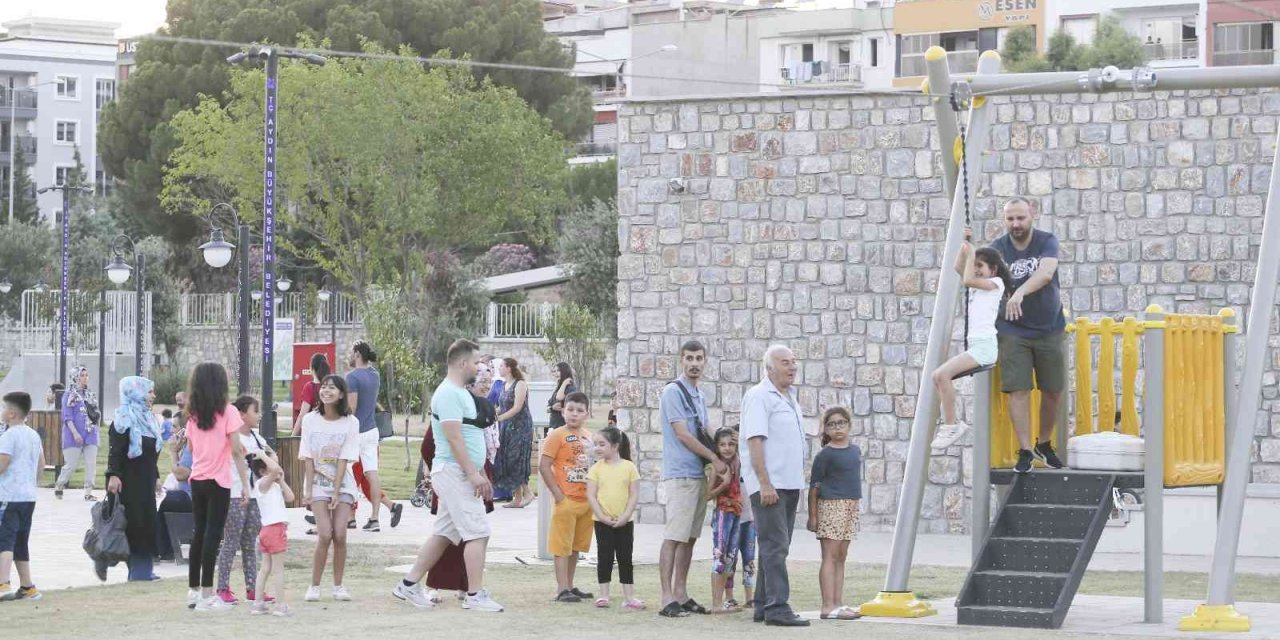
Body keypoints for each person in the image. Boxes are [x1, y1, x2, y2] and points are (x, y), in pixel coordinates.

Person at [393, 339, 504, 613]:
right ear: (462, 363)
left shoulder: (460, 392)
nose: (480, 367)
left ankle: (407, 585)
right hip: (454, 472)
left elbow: (468, 435)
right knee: (478, 533)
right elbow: (454, 438)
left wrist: (479, 471)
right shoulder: (449, 394)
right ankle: (475, 595)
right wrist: (473, 474)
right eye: (477, 362)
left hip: (459, 472)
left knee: (444, 533)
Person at [990, 197, 1067, 474]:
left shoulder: (1047, 241)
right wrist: (965, 247)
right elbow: (975, 275)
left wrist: (1020, 291)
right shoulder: (997, 249)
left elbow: (1046, 273)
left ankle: (1044, 443)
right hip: (1013, 329)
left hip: (1049, 327)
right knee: (1018, 389)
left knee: (1053, 390)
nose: (1016, 224)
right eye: (1010, 219)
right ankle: (1024, 450)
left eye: (1020, 218)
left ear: (1032, 215)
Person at [418, 362, 498, 604]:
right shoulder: (452, 407)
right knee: (470, 533)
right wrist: (449, 475)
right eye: (480, 382)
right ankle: (449, 589)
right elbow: (430, 447)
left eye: (488, 382)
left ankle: (464, 587)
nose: (484, 387)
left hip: (474, 475)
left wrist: (481, 473)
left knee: (454, 533)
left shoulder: (481, 409)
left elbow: (488, 445)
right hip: (456, 476)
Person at [657, 339, 725, 618]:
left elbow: (706, 428)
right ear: (681, 360)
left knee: (690, 538)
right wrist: (715, 458)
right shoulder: (673, 392)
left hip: (697, 474)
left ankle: (681, 593)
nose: (694, 363)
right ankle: (665, 598)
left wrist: (727, 443)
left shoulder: (698, 394)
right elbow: (683, 434)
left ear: (705, 361)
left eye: (699, 358)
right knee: (674, 537)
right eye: (689, 358)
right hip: (680, 474)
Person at [740, 345, 808, 627]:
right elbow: (755, 440)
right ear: (769, 368)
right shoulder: (759, 396)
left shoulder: (790, 397)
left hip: (790, 484)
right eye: (784, 362)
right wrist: (764, 482)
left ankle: (762, 604)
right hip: (771, 485)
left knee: (778, 545)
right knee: (774, 545)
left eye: (794, 361)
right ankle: (778, 607)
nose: (792, 367)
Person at [930, 244, 1013, 450]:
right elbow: (958, 267)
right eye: (974, 265)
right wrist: (964, 247)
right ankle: (951, 423)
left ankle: (952, 425)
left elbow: (967, 278)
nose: (975, 269)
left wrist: (972, 253)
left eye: (980, 266)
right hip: (977, 347)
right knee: (937, 377)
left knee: (941, 375)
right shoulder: (977, 285)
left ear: (992, 270)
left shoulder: (996, 283)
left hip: (984, 348)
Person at [184, 363, 252, 612]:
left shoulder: (193, 415)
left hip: (198, 479)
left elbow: (192, 449)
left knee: (200, 534)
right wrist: (245, 484)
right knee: (214, 535)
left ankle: (193, 592)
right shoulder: (229, 411)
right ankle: (207, 595)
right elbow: (235, 450)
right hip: (219, 481)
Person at [299, 374, 360, 603]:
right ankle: (314, 586)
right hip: (317, 485)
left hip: (343, 484)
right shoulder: (310, 420)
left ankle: (338, 586)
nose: (326, 391)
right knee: (324, 533)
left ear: (341, 394)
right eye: (323, 387)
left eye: (332, 388)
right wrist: (308, 489)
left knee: (340, 534)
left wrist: (336, 492)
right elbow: (307, 456)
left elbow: (345, 458)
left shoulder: (351, 423)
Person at [96, 377, 164, 584]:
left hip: (146, 480)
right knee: (132, 524)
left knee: (147, 523)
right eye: (150, 391)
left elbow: (152, 452)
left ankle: (144, 569)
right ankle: (136, 570)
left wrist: (157, 476)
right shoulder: (124, 418)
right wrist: (114, 475)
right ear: (136, 392)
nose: (153, 396)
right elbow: (115, 450)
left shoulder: (149, 419)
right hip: (128, 482)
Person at [807, 407, 863, 621]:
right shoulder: (825, 455)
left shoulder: (855, 450)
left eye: (841, 423)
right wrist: (813, 516)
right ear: (826, 429)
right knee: (830, 556)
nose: (837, 427)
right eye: (832, 424)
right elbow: (814, 487)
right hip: (831, 505)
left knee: (841, 556)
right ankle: (827, 605)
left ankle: (838, 603)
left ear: (849, 425)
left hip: (850, 505)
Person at [540, 391, 595, 603]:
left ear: (586, 414)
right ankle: (561, 588)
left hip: (585, 501)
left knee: (575, 547)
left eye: (579, 411)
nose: (574, 414)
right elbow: (545, 465)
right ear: (563, 411)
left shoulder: (589, 437)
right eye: (570, 409)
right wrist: (558, 495)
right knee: (561, 546)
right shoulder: (557, 435)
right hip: (566, 499)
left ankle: (570, 585)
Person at [215, 395, 270, 604]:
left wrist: (264, 459)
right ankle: (222, 588)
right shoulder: (231, 436)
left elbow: (270, 458)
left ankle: (252, 587)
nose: (259, 415)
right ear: (241, 414)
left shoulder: (257, 439)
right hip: (234, 494)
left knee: (250, 542)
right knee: (231, 541)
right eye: (256, 411)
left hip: (254, 495)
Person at [345, 341, 401, 531]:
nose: (350, 355)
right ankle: (375, 518)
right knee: (372, 473)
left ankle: (350, 517)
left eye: (352, 352)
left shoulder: (352, 377)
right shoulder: (374, 375)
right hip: (372, 430)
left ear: (357, 353)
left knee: (349, 474)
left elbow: (352, 408)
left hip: (356, 431)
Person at [585, 426, 641, 610]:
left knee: (625, 558)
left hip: (625, 522)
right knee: (604, 556)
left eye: (602, 444)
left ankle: (629, 597)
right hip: (602, 522)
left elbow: (633, 495)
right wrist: (601, 516)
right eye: (596, 445)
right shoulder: (595, 469)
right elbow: (591, 495)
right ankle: (604, 595)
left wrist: (625, 516)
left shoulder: (629, 468)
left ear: (615, 446)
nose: (598, 448)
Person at [0, 392, 44, 602]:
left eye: (2, 408)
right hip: (28, 497)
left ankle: (3, 583)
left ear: (11, 413)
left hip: (8, 496)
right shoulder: (33, 435)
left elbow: (2, 464)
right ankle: (28, 587)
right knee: (20, 542)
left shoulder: (8, 436)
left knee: (4, 541)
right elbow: (41, 465)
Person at [708, 427, 751, 614]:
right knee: (719, 555)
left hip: (737, 512)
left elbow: (748, 448)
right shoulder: (716, 467)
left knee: (730, 558)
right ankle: (716, 603)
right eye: (722, 445)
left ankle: (723, 602)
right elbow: (707, 495)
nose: (727, 448)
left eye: (731, 444)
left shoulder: (738, 462)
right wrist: (723, 484)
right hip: (723, 512)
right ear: (717, 447)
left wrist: (740, 439)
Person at [251, 455, 294, 617]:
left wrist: (281, 481)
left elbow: (290, 497)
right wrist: (262, 454)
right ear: (263, 471)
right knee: (277, 570)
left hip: (268, 531)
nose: (276, 466)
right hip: (274, 530)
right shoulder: (262, 484)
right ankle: (280, 605)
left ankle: (258, 603)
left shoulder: (273, 486)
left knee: (266, 568)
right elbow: (275, 468)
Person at [494, 357, 534, 509]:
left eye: (502, 366)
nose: (499, 369)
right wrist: (491, 415)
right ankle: (517, 498)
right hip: (507, 426)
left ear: (509, 368)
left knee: (516, 459)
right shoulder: (505, 385)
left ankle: (527, 493)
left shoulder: (520, 384)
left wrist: (500, 418)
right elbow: (502, 406)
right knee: (507, 460)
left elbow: (517, 407)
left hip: (521, 427)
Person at [55, 366, 99, 501]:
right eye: (82, 375)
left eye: (86, 375)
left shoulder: (90, 394)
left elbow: (96, 413)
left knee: (91, 464)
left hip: (90, 434)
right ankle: (60, 485)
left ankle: (88, 492)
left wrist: (96, 429)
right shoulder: (69, 395)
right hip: (73, 435)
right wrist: (75, 433)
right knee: (71, 464)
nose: (85, 377)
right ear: (75, 377)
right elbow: (67, 417)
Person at [156, 433, 194, 562]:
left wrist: (173, 452)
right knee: (161, 500)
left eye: (176, 429)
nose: (173, 434)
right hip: (192, 494)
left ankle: (162, 551)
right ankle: (165, 550)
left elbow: (180, 474)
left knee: (157, 500)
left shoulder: (192, 444)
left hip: (190, 495)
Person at [292, 352, 330, 436]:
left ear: (312, 368)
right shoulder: (332, 386)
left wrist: (292, 436)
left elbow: (302, 415)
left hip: (314, 434)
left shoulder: (309, 387)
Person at [547, 362, 576, 432]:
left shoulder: (570, 388)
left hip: (564, 426)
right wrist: (552, 408)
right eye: (555, 371)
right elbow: (547, 408)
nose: (556, 373)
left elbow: (559, 397)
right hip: (553, 425)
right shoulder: (558, 388)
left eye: (558, 371)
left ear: (564, 371)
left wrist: (564, 383)